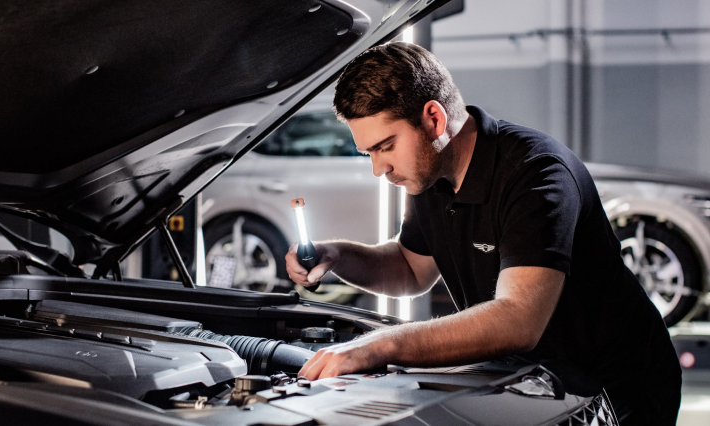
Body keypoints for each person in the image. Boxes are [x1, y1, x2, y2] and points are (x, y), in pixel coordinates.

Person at [286, 42, 681, 425]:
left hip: (617, 387)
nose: (378, 169)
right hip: (535, 380)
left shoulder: (537, 174)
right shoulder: (430, 177)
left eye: (385, 146)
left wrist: (382, 345)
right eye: (368, 153)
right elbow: (410, 269)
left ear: (434, 119)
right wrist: (339, 255)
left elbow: (517, 319)